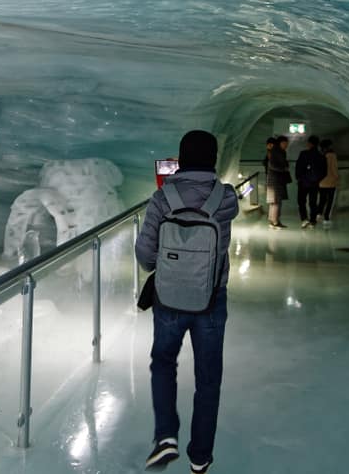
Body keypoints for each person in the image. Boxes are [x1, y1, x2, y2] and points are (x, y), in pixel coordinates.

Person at [136, 130, 239, 474]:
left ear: (180, 159)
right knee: (208, 377)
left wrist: (164, 264)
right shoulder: (226, 200)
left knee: (164, 362)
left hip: (169, 299)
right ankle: (200, 456)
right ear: (212, 159)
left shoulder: (162, 198)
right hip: (211, 299)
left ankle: (166, 435)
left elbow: (145, 255)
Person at [295, 135, 326, 229]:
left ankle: (304, 219)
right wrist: (317, 180)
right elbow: (324, 172)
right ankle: (313, 221)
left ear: (310, 144)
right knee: (313, 203)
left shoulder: (303, 154)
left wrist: (299, 178)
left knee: (301, 201)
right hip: (314, 183)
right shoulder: (321, 156)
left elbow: (298, 167)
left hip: (303, 183)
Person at [265, 136, 290, 228]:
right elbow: (272, 165)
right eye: (285, 144)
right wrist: (284, 168)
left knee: (274, 202)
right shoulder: (277, 152)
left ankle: (272, 220)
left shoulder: (276, 152)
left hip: (274, 179)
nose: (286, 145)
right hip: (276, 180)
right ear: (280, 143)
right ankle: (275, 221)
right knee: (276, 202)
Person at [317, 138, 339, 228]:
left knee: (322, 199)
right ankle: (326, 218)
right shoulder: (332, 155)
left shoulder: (320, 155)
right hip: (331, 182)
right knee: (330, 201)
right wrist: (337, 177)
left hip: (321, 182)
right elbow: (334, 168)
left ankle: (318, 214)